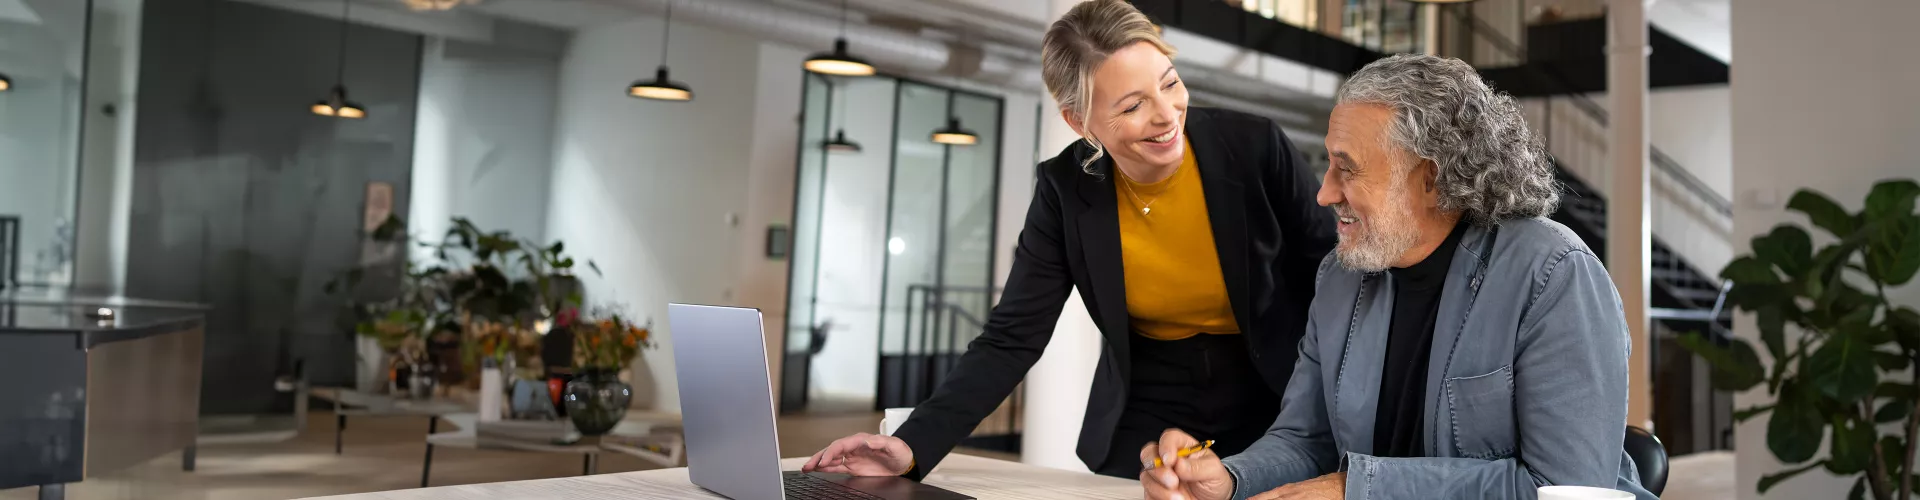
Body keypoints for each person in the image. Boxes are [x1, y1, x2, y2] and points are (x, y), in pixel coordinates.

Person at [801, 0, 1335, 480]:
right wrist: (910, 444)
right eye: (1130, 106)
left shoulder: (1256, 146)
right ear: (1080, 122)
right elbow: (1013, 336)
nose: (1167, 115)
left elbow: (1336, 277)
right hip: (1150, 398)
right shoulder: (1065, 188)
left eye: (1170, 83)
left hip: (1272, 382)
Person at [1139, 54, 1655, 500]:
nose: (1324, 193)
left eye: (1348, 169)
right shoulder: (1341, 276)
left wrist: (1357, 488)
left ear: (1431, 179)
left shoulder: (1555, 274)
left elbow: (1566, 488)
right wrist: (1229, 478)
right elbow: (1306, 440)